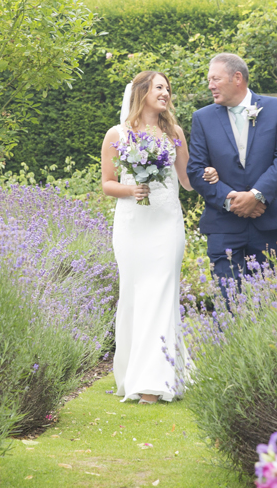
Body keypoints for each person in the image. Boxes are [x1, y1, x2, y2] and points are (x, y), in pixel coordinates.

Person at [101, 71, 194, 404]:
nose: (166, 92)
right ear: (141, 92)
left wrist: (208, 175)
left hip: (167, 223)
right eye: (159, 87)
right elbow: (108, 183)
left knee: (161, 294)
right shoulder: (117, 134)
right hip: (132, 225)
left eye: (168, 87)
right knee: (135, 296)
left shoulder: (175, 133)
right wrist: (131, 189)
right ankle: (133, 373)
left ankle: (154, 383)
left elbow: (186, 180)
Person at [186, 53, 277, 305]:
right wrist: (232, 201)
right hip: (224, 225)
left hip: (270, 222)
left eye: (215, 78)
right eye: (208, 80)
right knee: (228, 305)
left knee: (273, 304)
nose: (210, 85)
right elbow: (196, 170)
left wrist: (256, 196)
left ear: (237, 78)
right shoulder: (202, 118)